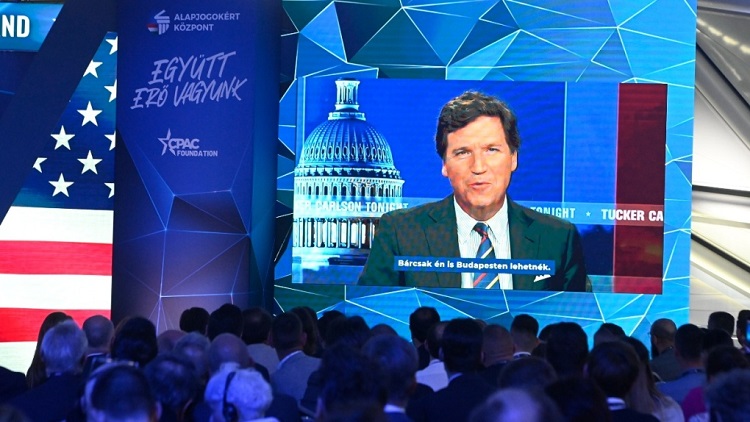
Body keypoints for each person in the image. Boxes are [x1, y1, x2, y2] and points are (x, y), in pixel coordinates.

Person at [358, 91, 589, 291]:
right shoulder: (400, 232)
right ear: (445, 165)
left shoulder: (557, 237)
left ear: (513, 159)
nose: (478, 167)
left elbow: (577, 321)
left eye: (491, 150)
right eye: (463, 152)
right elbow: (373, 317)